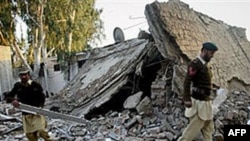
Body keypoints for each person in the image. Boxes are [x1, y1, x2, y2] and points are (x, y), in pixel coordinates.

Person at [177, 42, 219, 141]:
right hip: (199, 103)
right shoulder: (195, 64)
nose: (212, 56)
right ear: (204, 51)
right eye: (211, 53)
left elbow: (204, 81)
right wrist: (186, 99)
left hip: (206, 102)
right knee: (191, 132)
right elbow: (187, 82)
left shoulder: (205, 65)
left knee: (208, 129)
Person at [5, 67, 52, 141]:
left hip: (37, 112)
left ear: (28, 75)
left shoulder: (35, 85)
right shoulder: (17, 86)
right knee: (30, 135)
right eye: (21, 75)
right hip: (26, 114)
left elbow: (42, 97)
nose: (23, 76)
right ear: (19, 76)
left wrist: (41, 106)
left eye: (25, 75)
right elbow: (8, 97)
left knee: (41, 131)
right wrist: (13, 100)